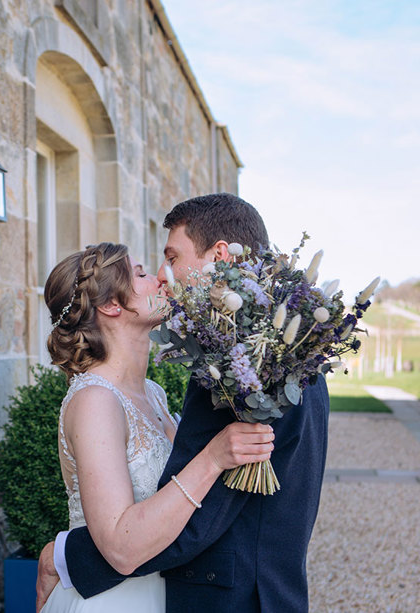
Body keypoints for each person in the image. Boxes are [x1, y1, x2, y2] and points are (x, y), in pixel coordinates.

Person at [37, 194, 331, 612]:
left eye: (171, 258)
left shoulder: (248, 364)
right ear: (109, 305)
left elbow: (201, 521)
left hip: (233, 595)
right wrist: (212, 457)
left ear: (220, 256)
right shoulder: (293, 351)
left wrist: (66, 557)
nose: (161, 276)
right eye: (142, 271)